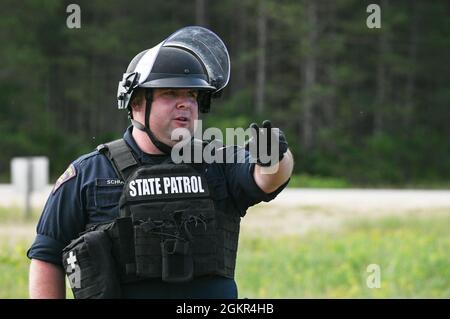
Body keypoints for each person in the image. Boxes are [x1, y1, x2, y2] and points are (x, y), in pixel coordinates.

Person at [27, 26, 294, 299]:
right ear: (137, 104)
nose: (186, 104)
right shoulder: (88, 173)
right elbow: (47, 257)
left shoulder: (218, 161)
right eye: (170, 93)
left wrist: (275, 155)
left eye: (192, 95)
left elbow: (267, 177)